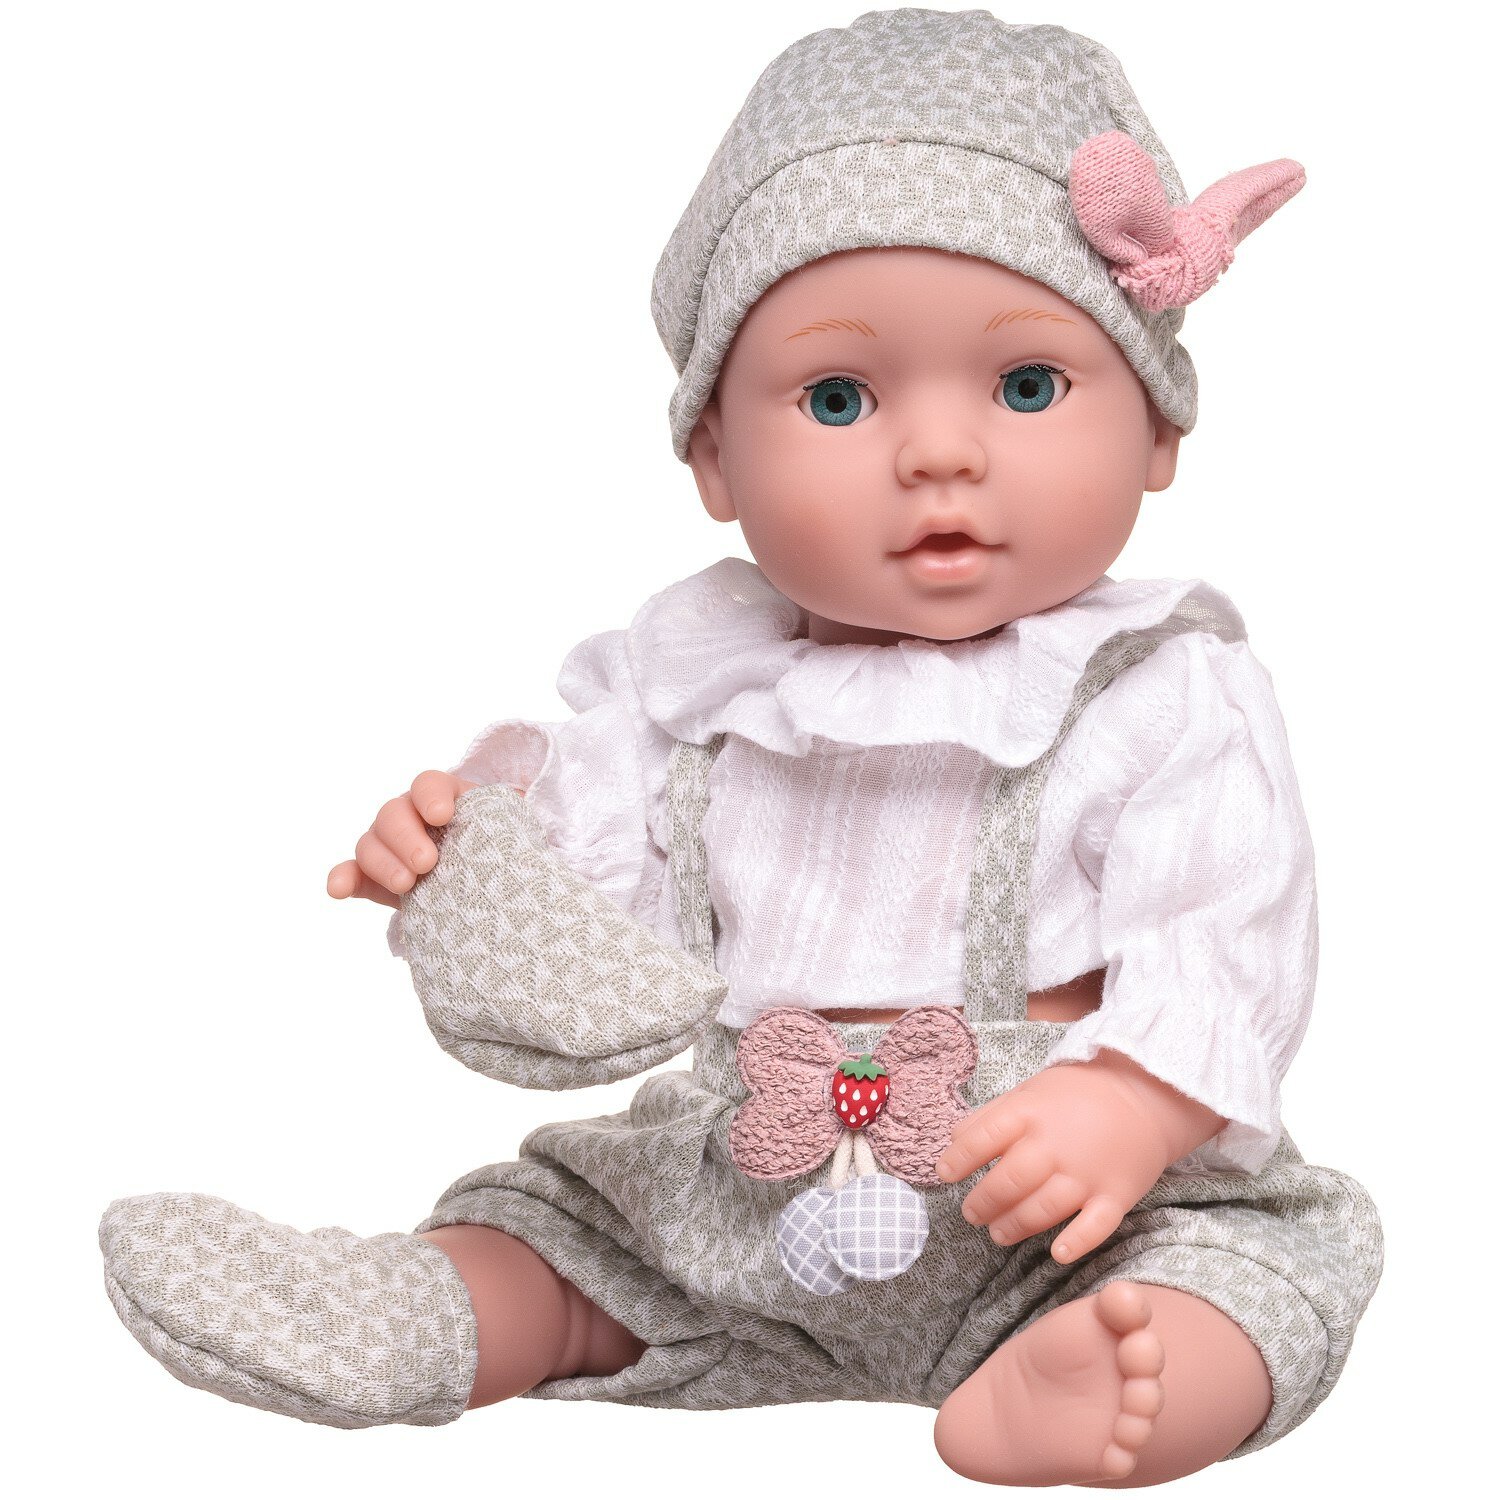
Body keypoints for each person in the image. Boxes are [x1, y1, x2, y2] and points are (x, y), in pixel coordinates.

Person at [98, 9, 1382, 1487]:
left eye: (1028, 387)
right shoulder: (685, 690)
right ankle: (430, 1313)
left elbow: (1230, 924)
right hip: (733, 1194)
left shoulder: (1163, 693)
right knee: (575, 1233)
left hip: (1067, 1208)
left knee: (1250, 1268)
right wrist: (465, 860)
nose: (939, 453)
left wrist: (1137, 1101)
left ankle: (1128, 1370)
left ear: (1158, 431)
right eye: (839, 399)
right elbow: (591, 933)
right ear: (714, 456)